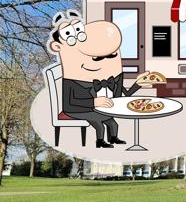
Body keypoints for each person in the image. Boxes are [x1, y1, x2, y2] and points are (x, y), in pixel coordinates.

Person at [48, 10, 151, 148]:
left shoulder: (111, 78)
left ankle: (113, 138)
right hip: (77, 109)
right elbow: (69, 103)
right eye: (97, 58)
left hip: (98, 106)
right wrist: (94, 102)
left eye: (111, 56)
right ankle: (100, 141)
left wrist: (139, 84)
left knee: (112, 122)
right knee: (98, 122)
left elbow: (124, 94)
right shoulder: (72, 81)